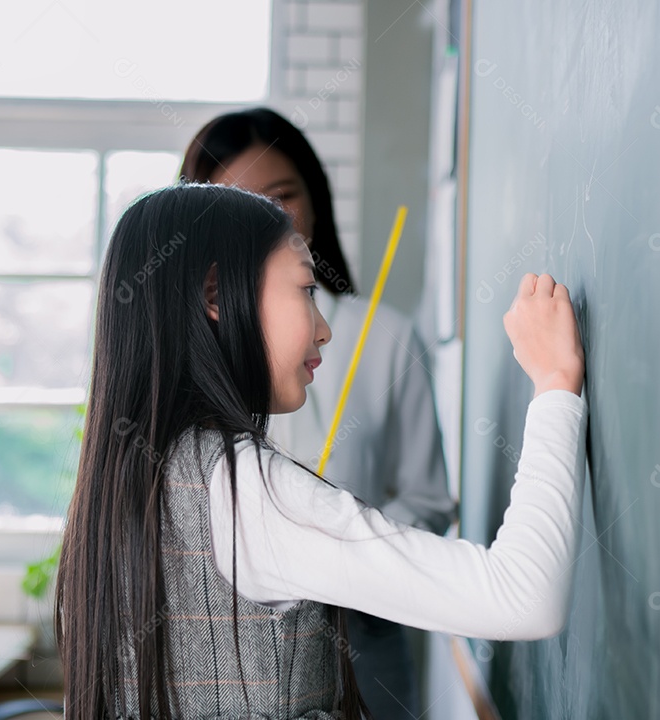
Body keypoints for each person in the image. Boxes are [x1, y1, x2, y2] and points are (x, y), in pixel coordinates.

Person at [55, 184, 587, 719]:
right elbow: (523, 596)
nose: (326, 329)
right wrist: (556, 384)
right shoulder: (250, 492)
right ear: (215, 296)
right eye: (306, 289)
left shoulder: (130, 479)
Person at [179, 108, 455, 717]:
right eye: (239, 205)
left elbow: (431, 501)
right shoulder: (190, 352)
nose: (264, 222)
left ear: (315, 201)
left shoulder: (383, 336)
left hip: (365, 651)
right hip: (234, 666)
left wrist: (348, 552)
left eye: (282, 200)